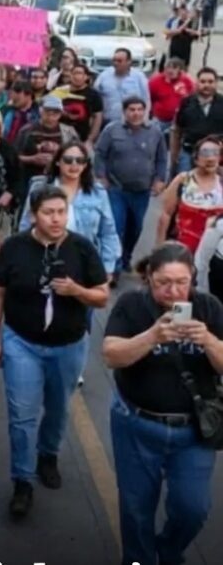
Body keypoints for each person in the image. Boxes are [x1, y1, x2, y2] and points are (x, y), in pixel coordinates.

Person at [0, 185, 109, 518]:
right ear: (33, 215)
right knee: (22, 415)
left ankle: (48, 455)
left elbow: (101, 296)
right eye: (48, 212)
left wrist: (76, 290)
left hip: (68, 346)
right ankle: (22, 481)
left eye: (61, 212)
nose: (56, 219)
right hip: (21, 342)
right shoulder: (14, 248)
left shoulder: (82, 249)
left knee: (58, 409)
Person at [102, 242, 223, 565]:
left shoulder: (209, 308)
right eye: (164, 283)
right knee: (136, 508)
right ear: (149, 278)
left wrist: (209, 341)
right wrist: (152, 336)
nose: (173, 291)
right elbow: (111, 354)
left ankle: (169, 551)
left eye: (182, 282)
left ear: (193, 278)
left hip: (193, 431)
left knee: (193, 508)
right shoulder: (132, 305)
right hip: (137, 425)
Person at [21, 142, 122, 283]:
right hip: (44, 260)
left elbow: (108, 232)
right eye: (68, 160)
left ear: (86, 165)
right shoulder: (39, 188)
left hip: (85, 263)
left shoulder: (98, 193)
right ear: (57, 162)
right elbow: (26, 226)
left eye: (80, 161)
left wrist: (107, 267)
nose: (74, 165)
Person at [95, 97, 168, 275]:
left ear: (145, 112)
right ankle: (114, 267)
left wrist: (159, 180)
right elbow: (100, 154)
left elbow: (161, 159)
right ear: (124, 112)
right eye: (131, 109)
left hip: (141, 190)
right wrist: (101, 176)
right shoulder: (112, 130)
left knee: (135, 228)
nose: (136, 113)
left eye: (139, 110)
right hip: (116, 188)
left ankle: (126, 257)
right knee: (116, 227)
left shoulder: (155, 132)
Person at [156, 136, 223, 252]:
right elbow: (166, 215)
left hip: (215, 253)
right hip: (183, 252)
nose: (210, 158)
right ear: (196, 158)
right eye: (205, 153)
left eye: (215, 153)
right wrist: (159, 251)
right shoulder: (183, 180)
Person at [15, 94, 78, 190]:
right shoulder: (27, 130)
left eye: (56, 111)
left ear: (61, 113)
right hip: (29, 178)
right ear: (40, 110)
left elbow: (78, 156)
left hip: (60, 179)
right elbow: (14, 156)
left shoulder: (69, 132)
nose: (51, 113)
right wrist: (32, 159)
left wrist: (57, 160)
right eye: (48, 110)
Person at [171, 67, 223, 174]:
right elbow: (177, 130)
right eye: (203, 81)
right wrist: (174, 155)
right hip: (189, 154)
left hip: (215, 157)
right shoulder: (186, 102)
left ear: (216, 83)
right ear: (197, 83)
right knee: (184, 187)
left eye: (210, 82)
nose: (206, 85)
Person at [94, 49, 150, 127]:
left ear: (129, 62)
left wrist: (144, 119)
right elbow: (95, 98)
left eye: (119, 61)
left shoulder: (139, 77)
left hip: (133, 123)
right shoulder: (103, 76)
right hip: (108, 122)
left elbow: (146, 99)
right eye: (114, 60)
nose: (115, 63)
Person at [55, 64, 104, 144]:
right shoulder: (60, 91)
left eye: (79, 73)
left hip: (82, 137)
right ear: (70, 75)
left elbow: (97, 118)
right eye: (74, 73)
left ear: (86, 77)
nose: (76, 76)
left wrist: (90, 139)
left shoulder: (94, 94)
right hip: (60, 135)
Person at [148, 58, 195, 135]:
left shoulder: (186, 81)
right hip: (160, 120)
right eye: (168, 67)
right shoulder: (155, 81)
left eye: (174, 68)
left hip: (180, 122)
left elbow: (192, 98)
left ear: (180, 70)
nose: (170, 71)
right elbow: (149, 99)